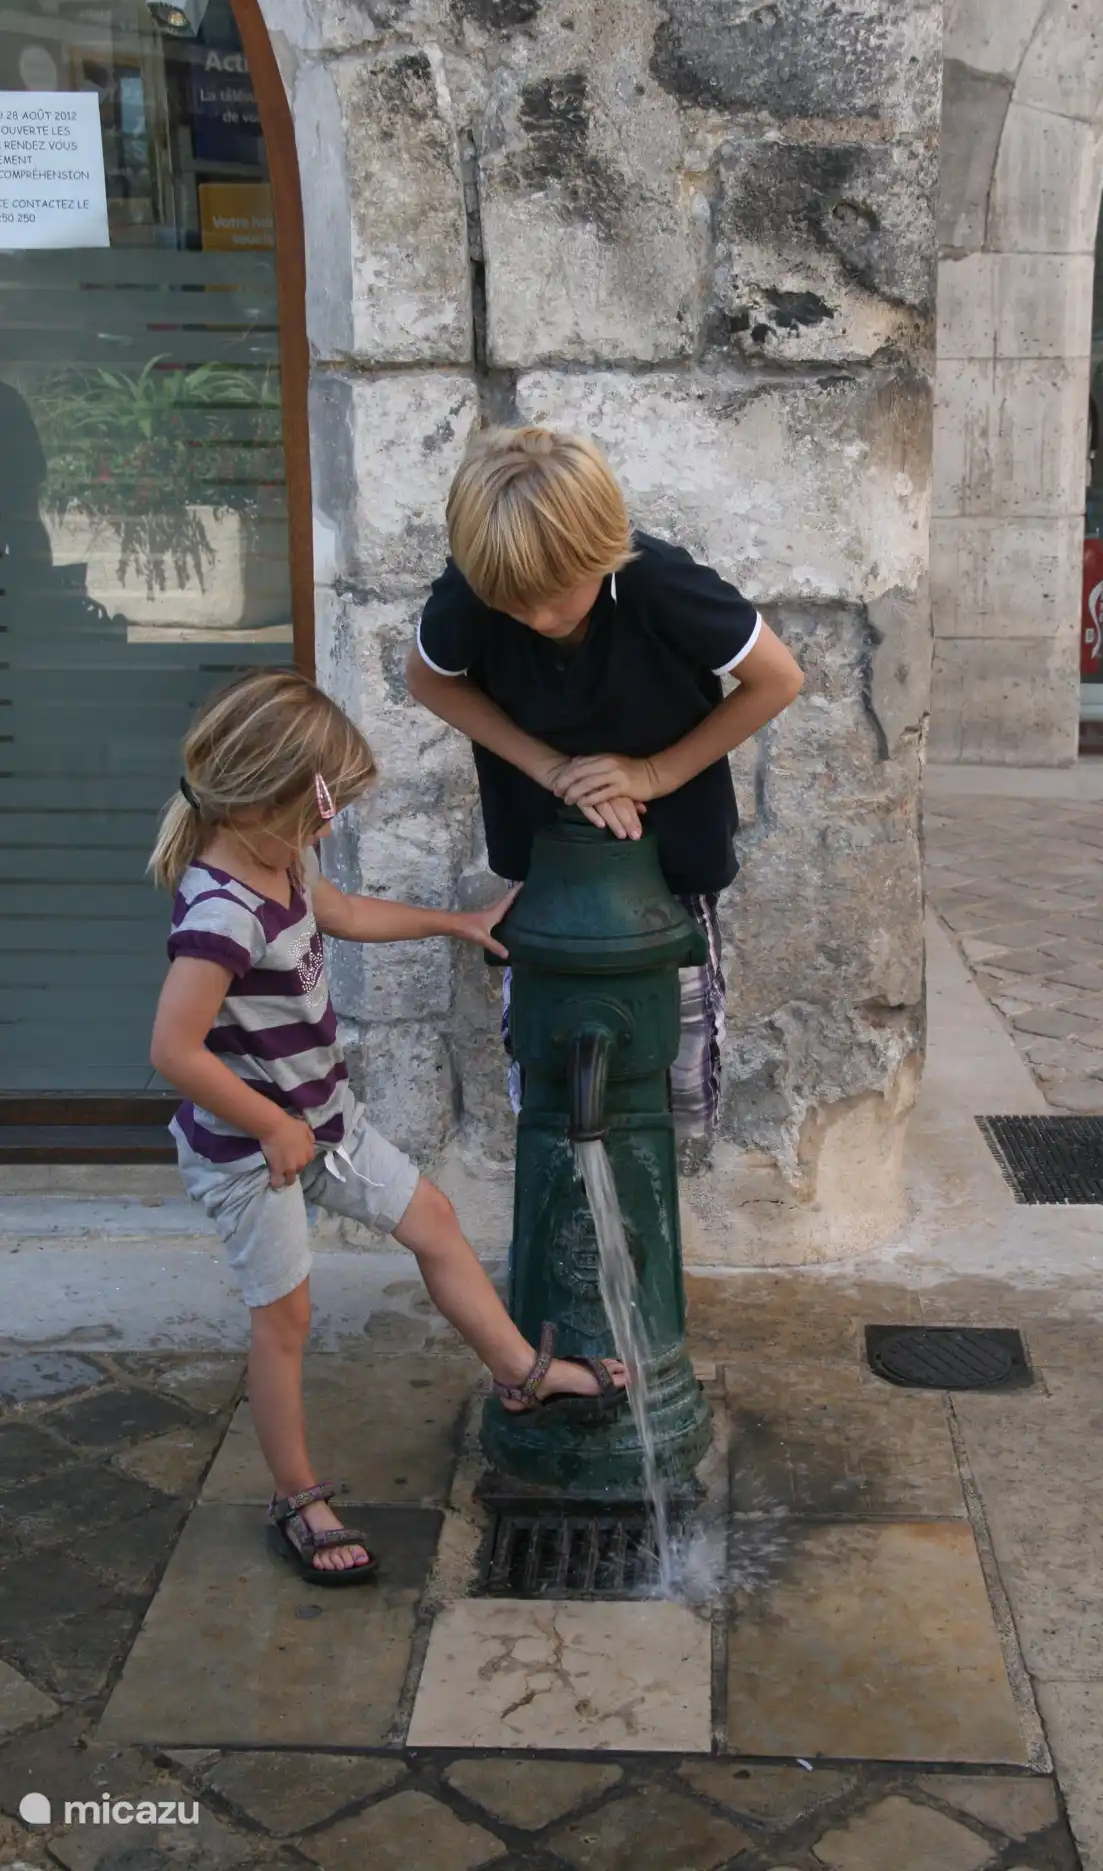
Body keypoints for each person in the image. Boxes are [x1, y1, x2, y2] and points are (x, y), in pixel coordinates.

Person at [149, 669, 625, 1587]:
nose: (328, 828)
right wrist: (270, 1126)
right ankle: (296, 1498)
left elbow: (345, 913)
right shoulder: (220, 915)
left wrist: (458, 922)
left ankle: (521, 1376)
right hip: (251, 1153)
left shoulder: (282, 860)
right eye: (319, 810)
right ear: (256, 797)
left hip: (324, 1121)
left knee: (433, 1220)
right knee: (285, 1321)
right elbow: (174, 1048)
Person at [405, 425, 804, 1148]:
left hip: (670, 872)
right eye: (513, 606)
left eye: (556, 598)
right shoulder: (479, 582)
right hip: (546, 868)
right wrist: (549, 767)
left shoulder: (657, 580)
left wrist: (653, 773)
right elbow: (429, 680)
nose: (537, 620)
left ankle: (660, 1177)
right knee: (552, 1076)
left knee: (675, 1069)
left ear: (602, 549)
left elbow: (778, 678)